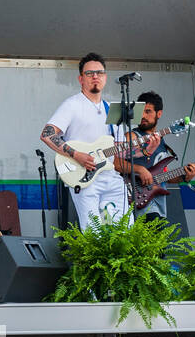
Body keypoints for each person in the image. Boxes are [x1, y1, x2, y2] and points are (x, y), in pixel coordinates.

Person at [39, 52, 154, 228]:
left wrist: (145, 150)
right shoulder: (72, 105)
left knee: (124, 230)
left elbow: (119, 152)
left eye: (99, 73)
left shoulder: (112, 109)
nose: (95, 76)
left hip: (112, 178)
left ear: (105, 77)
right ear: (80, 79)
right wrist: (76, 154)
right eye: (89, 73)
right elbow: (47, 134)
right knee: (94, 233)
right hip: (85, 178)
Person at [129, 91, 195, 223]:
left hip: (158, 205)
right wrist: (140, 169)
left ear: (159, 113)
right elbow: (117, 162)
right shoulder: (132, 136)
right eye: (141, 111)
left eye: (148, 111)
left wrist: (185, 176)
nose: (143, 115)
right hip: (138, 203)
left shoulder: (162, 143)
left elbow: (162, 178)